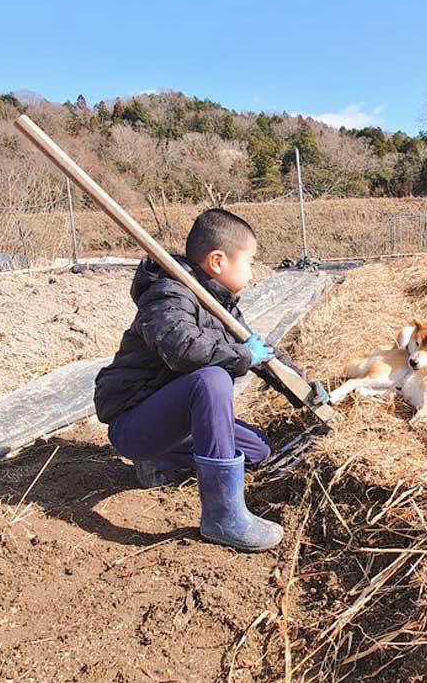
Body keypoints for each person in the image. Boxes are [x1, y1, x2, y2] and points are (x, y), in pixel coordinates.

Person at [94, 208, 288, 553]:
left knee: (257, 449)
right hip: (134, 423)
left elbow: (262, 354)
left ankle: (160, 461)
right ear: (218, 261)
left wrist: (302, 386)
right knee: (212, 380)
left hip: (170, 423)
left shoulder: (219, 304)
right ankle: (222, 516)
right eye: (251, 261)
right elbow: (181, 348)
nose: (253, 271)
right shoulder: (167, 295)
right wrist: (244, 356)